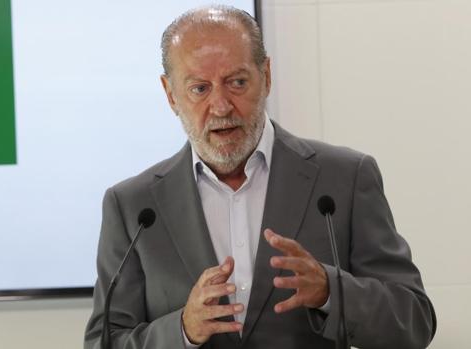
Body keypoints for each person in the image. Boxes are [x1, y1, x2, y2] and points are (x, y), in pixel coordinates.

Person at [84, 5, 436, 349]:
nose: (221, 106)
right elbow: (106, 341)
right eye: (199, 89)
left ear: (266, 76)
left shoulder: (344, 179)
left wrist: (331, 291)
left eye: (237, 82)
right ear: (171, 95)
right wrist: (182, 331)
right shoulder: (133, 206)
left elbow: (414, 322)